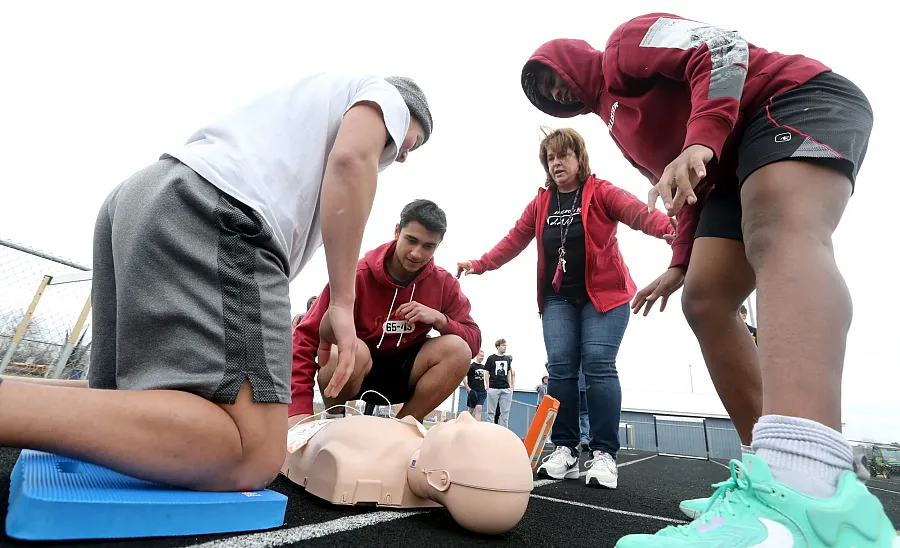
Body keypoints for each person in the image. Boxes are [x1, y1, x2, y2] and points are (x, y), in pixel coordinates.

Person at [520, 13, 896, 545]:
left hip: (789, 100)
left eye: (552, 75)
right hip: (727, 163)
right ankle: (772, 486)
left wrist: (702, 138)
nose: (557, 89)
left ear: (570, 55)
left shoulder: (624, 45)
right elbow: (683, 188)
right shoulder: (620, 129)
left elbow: (721, 49)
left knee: (776, 222)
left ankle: (810, 485)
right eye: (546, 92)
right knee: (704, 299)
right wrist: (679, 261)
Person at [0, 72, 433, 493]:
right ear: (405, 111)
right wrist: (342, 303)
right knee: (253, 449)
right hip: (215, 211)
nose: (405, 153)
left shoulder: (311, 105)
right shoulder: (385, 98)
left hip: (144, 198)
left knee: (127, 397)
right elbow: (352, 160)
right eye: (414, 139)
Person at [457, 127, 674, 489]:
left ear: (579, 158)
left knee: (599, 364)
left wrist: (670, 229)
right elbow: (514, 240)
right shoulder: (542, 202)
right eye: (550, 158)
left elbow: (638, 213)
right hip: (558, 296)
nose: (557, 163)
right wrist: (479, 264)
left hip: (604, 294)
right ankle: (566, 449)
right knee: (560, 367)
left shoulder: (600, 191)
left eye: (563, 155)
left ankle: (604, 453)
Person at [290, 200, 481, 424]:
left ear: (438, 246)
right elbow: (305, 337)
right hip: (355, 367)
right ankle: (333, 418)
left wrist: (440, 319)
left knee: (458, 350)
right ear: (397, 231)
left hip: (405, 371)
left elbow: (474, 342)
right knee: (349, 349)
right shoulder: (357, 274)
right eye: (411, 240)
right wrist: (298, 410)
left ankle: (401, 427)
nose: (417, 253)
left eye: (428, 246)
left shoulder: (444, 284)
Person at [482, 339, 514, 428]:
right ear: (498, 347)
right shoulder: (491, 358)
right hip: (493, 388)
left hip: (505, 388)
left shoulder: (507, 359)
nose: (505, 347)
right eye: (503, 345)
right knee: (491, 413)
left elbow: (508, 372)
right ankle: (489, 432)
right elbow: (486, 372)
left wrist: (510, 386)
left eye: (505, 345)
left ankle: (504, 433)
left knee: (505, 414)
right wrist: (487, 386)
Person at [464, 350, 489, 420]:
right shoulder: (471, 366)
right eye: (481, 356)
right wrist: (468, 388)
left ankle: (477, 426)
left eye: (483, 356)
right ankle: (465, 423)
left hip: (482, 391)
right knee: (471, 410)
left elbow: (487, 376)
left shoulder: (484, 367)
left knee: (479, 408)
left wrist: (487, 386)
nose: (482, 357)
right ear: (477, 356)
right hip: (473, 391)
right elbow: (463, 377)